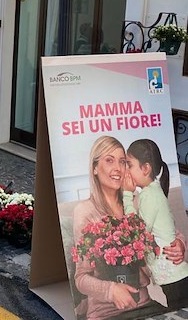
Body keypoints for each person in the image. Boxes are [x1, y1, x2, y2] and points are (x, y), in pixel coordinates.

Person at [72, 136, 185, 319]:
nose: (118, 168)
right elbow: (81, 278)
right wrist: (111, 290)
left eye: (123, 161)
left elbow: (170, 231)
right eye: (109, 160)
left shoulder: (136, 202)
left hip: (145, 304)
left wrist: (179, 243)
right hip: (107, 312)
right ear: (94, 168)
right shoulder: (85, 211)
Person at [123, 139, 188, 309]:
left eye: (129, 165)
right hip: (172, 275)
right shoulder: (151, 192)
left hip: (173, 276)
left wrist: (127, 195)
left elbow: (137, 232)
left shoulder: (148, 196)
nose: (126, 171)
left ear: (145, 168)